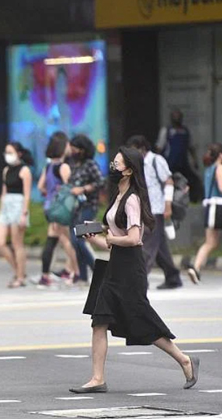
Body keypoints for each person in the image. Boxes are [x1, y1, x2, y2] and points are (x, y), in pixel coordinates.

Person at [71, 146, 199, 394]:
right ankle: (97, 379)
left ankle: (185, 360)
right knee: (99, 320)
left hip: (130, 269)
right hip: (115, 266)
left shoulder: (132, 199)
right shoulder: (118, 197)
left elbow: (133, 238)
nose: (112, 167)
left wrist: (109, 239)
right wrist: (93, 237)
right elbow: (112, 242)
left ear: (128, 170)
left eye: (117, 163)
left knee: (140, 320)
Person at [127, 135, 183, 289]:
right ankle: (173, 277)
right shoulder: (138, 164)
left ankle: (140, 280)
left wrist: (167, 205)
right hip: (144, 208)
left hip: (156, 208)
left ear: (142, 148)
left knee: (148, 245)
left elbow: (169, 182)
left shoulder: (156, 160)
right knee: (160, 247)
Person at [37, 132, 79, 287]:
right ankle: (76, 272)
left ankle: (45, 275)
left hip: (49, 208)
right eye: (67, 145)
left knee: (52, 240)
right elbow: (70, 187)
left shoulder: (48, 166)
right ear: (62, 148)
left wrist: (49, 194)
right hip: (61, 210)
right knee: (69, 241)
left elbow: (40, 186)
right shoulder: (63, 167)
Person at [0, 142, 33, 288]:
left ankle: (20, 277)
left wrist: (24, 213)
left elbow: (27, 195)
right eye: (6, 152)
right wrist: (0, 210)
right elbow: (3, 192)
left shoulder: (24, 170)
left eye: (10, 152)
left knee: (17, 243)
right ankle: (18, 271)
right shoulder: (6, 170)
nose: (7, 155)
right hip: (6, 205)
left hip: (18, 205)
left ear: (19, 154)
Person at [68, 134, 105, 285]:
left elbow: (101, 182)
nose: (72, 152)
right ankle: (83, 276)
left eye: (74, 149)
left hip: (89, 206)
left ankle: (98, 273)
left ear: (82, 150)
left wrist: (84, 189)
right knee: (75, 241)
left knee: (79, 239)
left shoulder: (90, 164)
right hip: (76, 208)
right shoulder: (75, 165)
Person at [187, 142, 222, 284]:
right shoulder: (219, 168)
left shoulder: (208, 169)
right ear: (220, 155)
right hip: (218, 207)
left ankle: (195, 268)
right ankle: (195, 268)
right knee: (211, 242)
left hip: (209, 207)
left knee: (211, 242)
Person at [156, 109, 202, 202]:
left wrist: (195, 160)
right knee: (168, 182)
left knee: (192, 180)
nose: (177, 118)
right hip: (169, 163)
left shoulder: (185, 131)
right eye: (174, 116)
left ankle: (192, 199)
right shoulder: (166, 130)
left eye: (178, 116)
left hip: (183, 163)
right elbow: (159, 147)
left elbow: (191, 147)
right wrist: (157, 163)